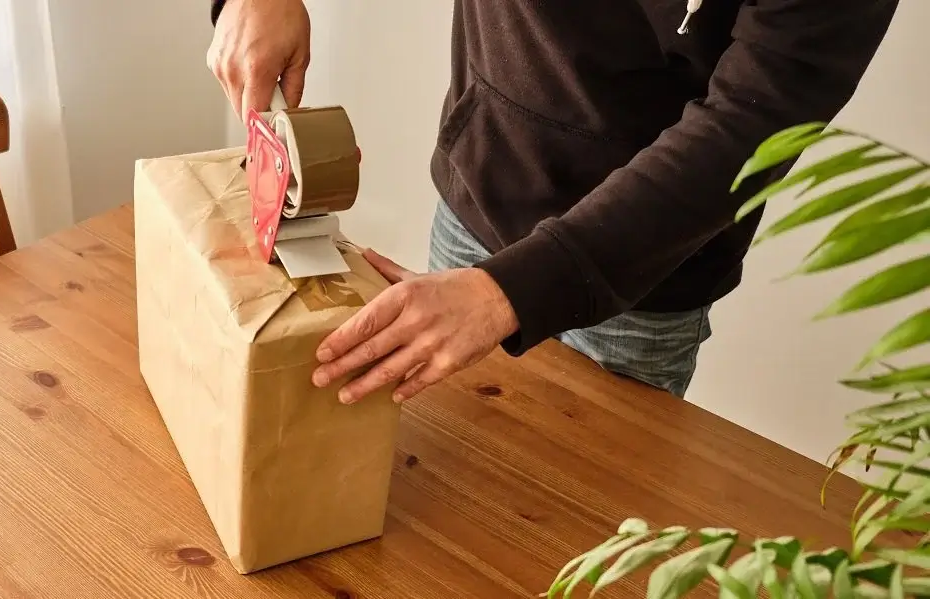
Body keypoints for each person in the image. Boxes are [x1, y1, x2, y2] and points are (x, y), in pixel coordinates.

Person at [205, 0, 898, 403]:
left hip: (635, 280)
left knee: (576, 539)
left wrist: (509, 292)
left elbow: (756, 121)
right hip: (476, 190)